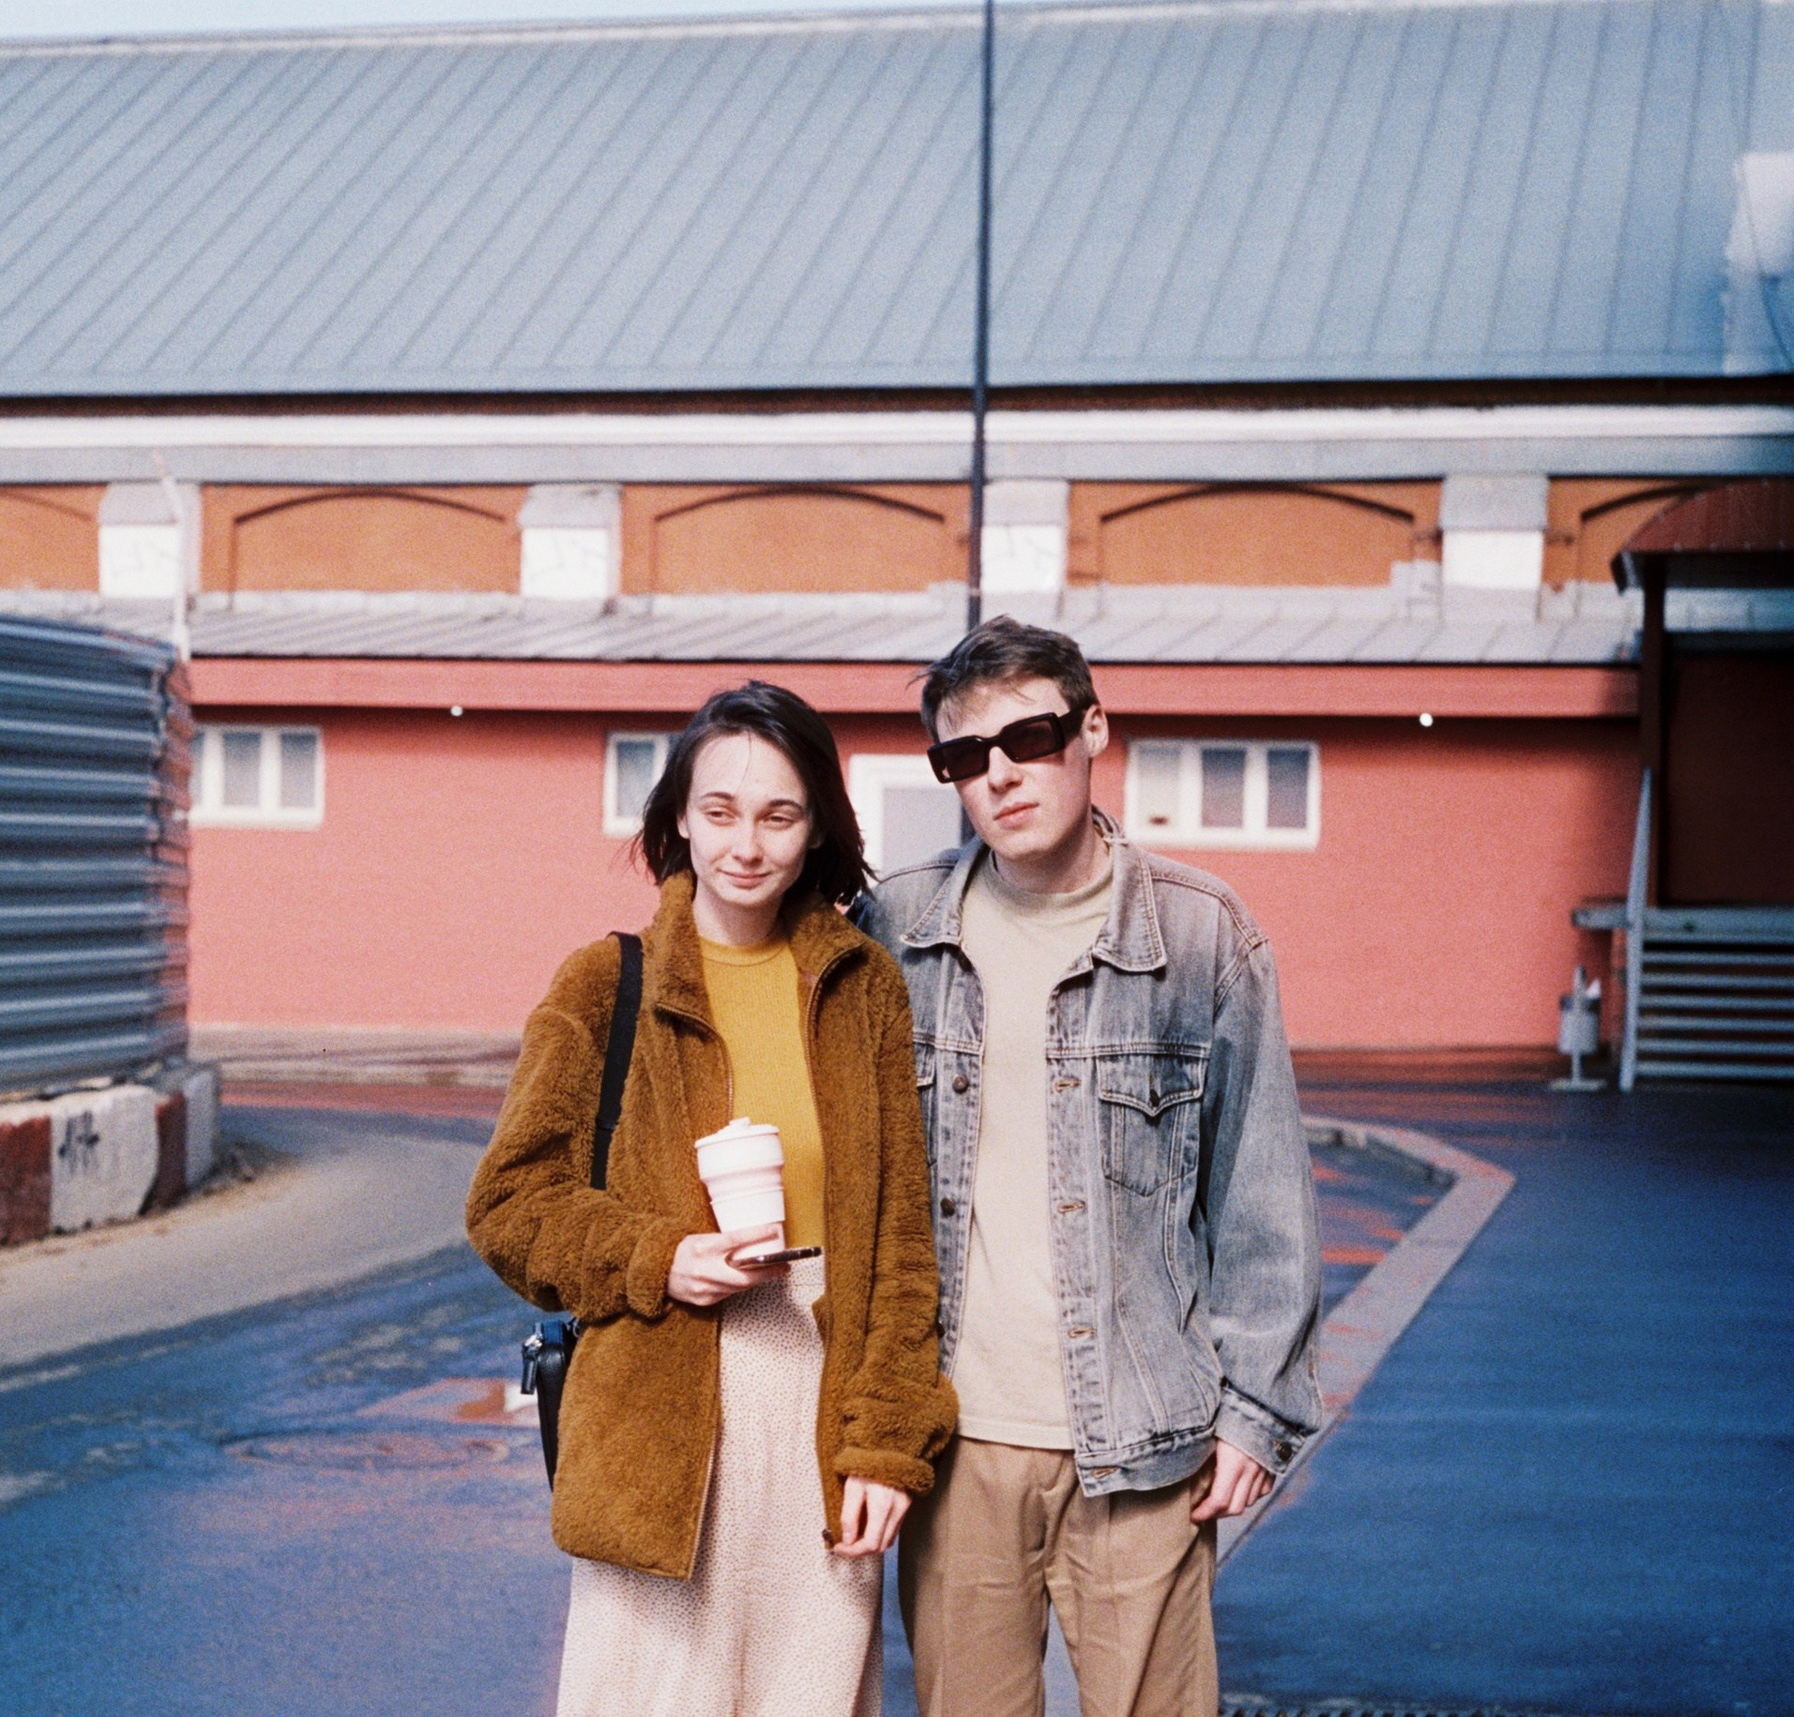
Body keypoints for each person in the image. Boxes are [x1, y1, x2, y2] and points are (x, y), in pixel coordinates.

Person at [855, 617, 1323, 1717]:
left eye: (1029, 736)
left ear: (1094, 727)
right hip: (956, 1440)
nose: (1000, 775)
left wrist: (1258, 1410)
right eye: (965, 757)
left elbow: (1260, 1184)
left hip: (1146, 1442)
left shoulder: (1203, 934)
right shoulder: (896, 928)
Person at [466, 681, 956, 1717]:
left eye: (779, 814)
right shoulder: (605, 982)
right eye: (721, 810)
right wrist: (656, 1256)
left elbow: (902, 1246)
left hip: (821, 1405)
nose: (746, 843)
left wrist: (886, 1447)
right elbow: (509, 1203)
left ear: (817, 824)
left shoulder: (861, 983)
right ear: (679, 816)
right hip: (657, 1416)